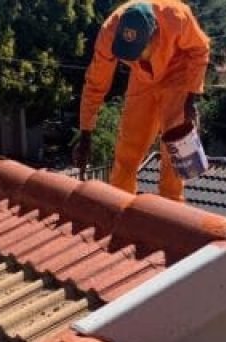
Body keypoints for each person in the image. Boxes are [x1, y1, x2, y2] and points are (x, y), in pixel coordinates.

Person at [73, 0, 210, 201]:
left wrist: (190, 98)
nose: (134, 58)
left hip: (177, 73)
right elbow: (95, 83)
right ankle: (118, 206)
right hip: (142, 79)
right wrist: (86, 133)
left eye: (138, 51)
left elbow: (200, 49)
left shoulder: (177, 16)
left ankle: (170, 210)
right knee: (126, 151)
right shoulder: (109, 32)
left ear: (155, 35)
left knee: (175, 150)